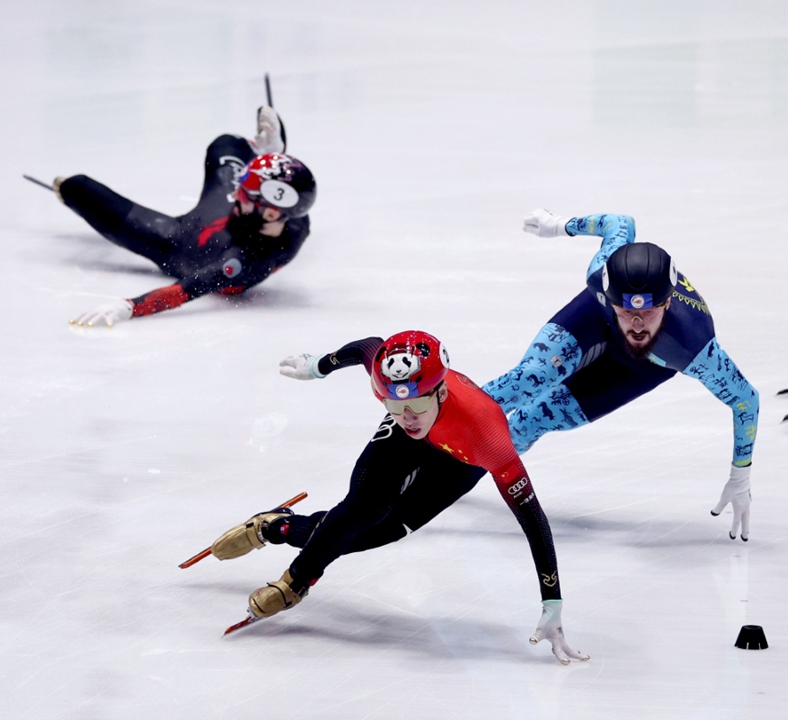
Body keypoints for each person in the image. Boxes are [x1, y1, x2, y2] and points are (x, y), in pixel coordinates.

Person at [207, 331, 587, 664]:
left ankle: (277, 526)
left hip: (460, 454)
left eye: (417, 405)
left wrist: (551, 600)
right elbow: (367, 346)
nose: (407, 416)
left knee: (381, 531)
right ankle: (295, 583)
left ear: (440, 391)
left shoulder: (487, 435)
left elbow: (533, 519)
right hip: (406, 444)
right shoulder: (396, 389)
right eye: (393, 405)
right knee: (364, 509)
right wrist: (319, 366)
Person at [485, 211, 760, 541]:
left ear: (668, 303)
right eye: (629, 311)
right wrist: (559, 226)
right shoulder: (600, 271)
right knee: (528, 379)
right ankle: (436, 423)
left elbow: (746, 401)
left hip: (644, 364)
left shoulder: (693, 345)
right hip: (597, 317)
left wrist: (740, 476)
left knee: (531, 421)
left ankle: (454, 466)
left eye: (648, 312)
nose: (637, 324)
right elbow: (619, 223)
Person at [51, 106, 316, 326]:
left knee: (76, 188)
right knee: (225, 144)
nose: (237, 194)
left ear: (270, 213)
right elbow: (293, 187)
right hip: (219, 214)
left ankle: (265, 156)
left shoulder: (243, 261)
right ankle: (266, 154)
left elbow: (184, 290)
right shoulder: (292, 217)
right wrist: (273, 164)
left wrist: (128, 307)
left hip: (177, 242)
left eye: (245, 195)